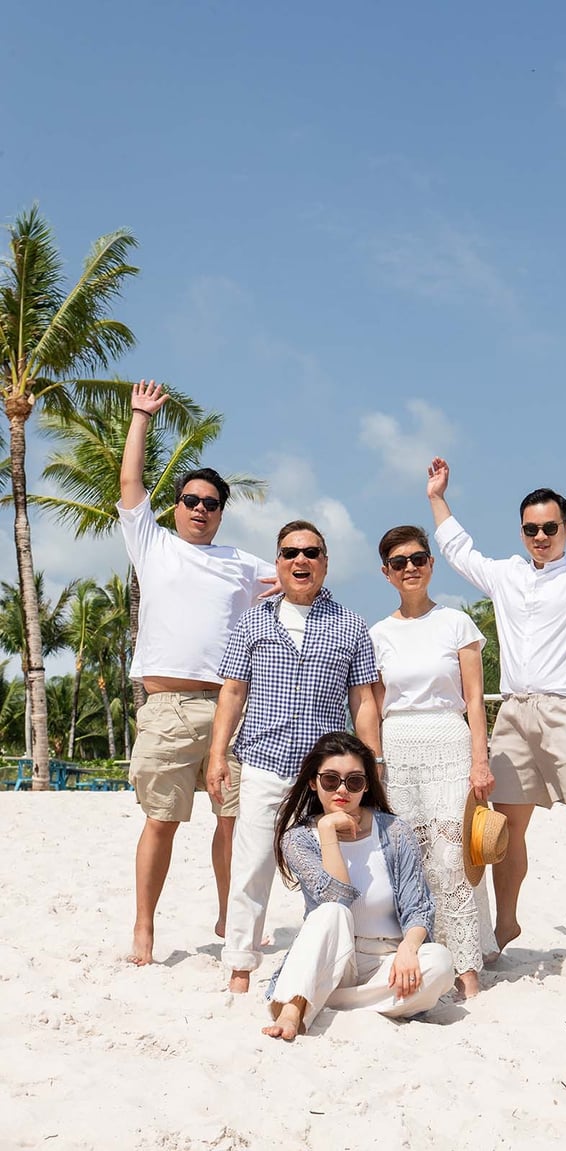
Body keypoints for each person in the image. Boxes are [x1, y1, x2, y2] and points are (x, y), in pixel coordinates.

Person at [427, 424, 566, 973]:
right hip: (514, 711)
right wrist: (437, 500)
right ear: (522, 531)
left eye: (550, 527)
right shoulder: (506, 576)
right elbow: (459, 551)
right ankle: (507, 920)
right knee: (505, 823)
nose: (541, 536)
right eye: (531, 529)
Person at [119, 379, 276, 966]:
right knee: (161, 821)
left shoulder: (242, 564)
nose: (202, 510)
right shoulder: (152, 543)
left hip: (232, 709)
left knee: (234, 821)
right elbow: (130, 485)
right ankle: (143, 927)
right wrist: (141, 417)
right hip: (166, 707)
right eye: (193, 501)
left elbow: (295, 575)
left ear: (220, 512)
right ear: (177, 507)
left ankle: (229, 916)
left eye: (212, 504)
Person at [207, 520, 381, 993]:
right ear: (278, 562)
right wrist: (217, 755)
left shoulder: (350, 624)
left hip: (327, 776)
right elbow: (233, 691)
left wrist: (375, 763)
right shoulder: (254, 620)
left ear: (325, 562)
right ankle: (240, 965)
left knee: (334, 866)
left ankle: (333, 958)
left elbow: (363, 702)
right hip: (262, 760)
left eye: (311, 552)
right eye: (289, 553)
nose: (300, 560)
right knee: (252, 865)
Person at [370, 525, 497, 998]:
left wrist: (479, 761)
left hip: (449, 739)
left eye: (418, 558)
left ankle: (466, 967)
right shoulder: (377, 633)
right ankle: (426, 955)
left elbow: (475, 700)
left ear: (431, 563)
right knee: (413, 856)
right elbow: (374, 705)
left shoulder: (458, 623)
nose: (410, 568)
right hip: (399, 744)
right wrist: (376, 762)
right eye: (399, 562)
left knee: (453, 855)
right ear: (386, 572)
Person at [263, 731, 455, 1039]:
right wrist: (327, 830)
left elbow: (418, 906)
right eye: (330, 780)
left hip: (387, 961)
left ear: (366, 787)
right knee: (330, 913)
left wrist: (408, 948)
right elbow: (335, 897)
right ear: (313, 782)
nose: (342, 790)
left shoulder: (394, 831)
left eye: (354, 781)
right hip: (335, 957)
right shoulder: (299, 840)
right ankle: (290, 1009)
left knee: (440, 963)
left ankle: (319, 1001)